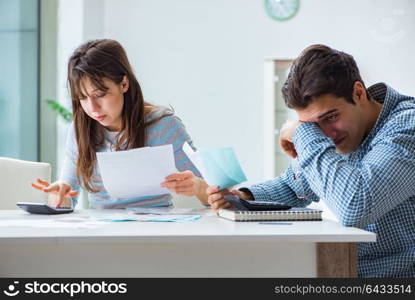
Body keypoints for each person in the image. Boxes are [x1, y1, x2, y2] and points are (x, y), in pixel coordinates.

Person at [206, 44, 415, 277]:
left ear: (358, 92)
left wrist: (302, 133)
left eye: (331, 117)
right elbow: (293, 187)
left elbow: (356, 205)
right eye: (312, 125)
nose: (325, 134)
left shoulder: (407, 126)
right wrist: (243, 197)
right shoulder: (345, 133)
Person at [31, 39, 209, 208]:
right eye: (82, 98)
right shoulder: (80, 130)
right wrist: (59, 195)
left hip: (155, 230)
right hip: (101, 233)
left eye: (100, 94)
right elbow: (68, 195)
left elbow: (213, 192)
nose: (92, 108)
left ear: (124, 84)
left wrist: (199, 187)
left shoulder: (163, 126)